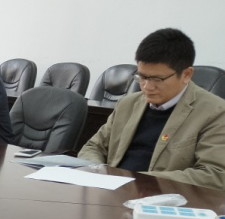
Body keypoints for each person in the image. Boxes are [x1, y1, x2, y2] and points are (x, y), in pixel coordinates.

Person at [78, 28, 225, 190]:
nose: (147, 87)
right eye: (142, 77)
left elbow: (215, 174)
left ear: (186, 74)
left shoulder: (215, 112)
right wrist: (97, 172)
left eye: (157, 79)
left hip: (164, 197)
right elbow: (94, 147)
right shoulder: (128, 104)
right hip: (111, 190)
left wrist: (138, 181)